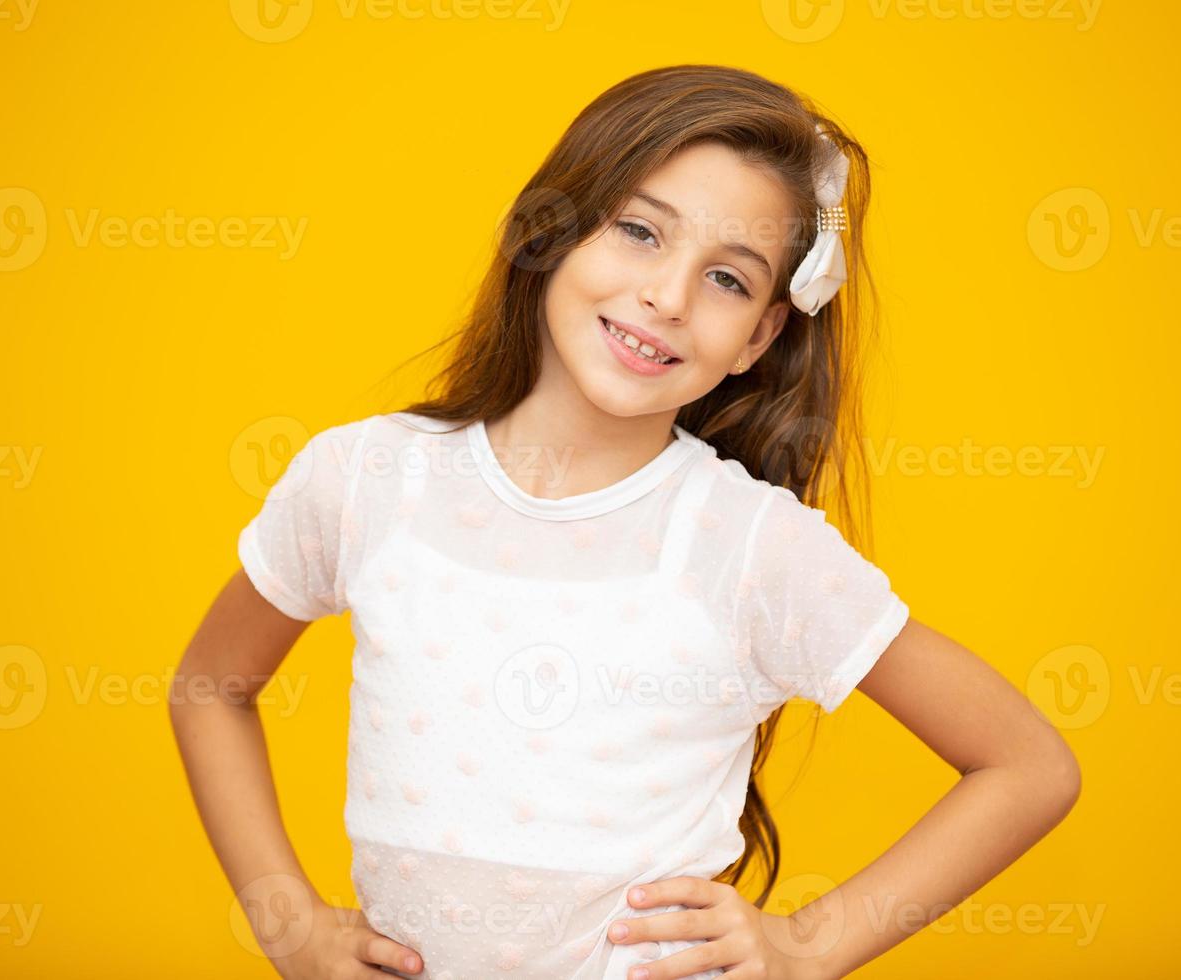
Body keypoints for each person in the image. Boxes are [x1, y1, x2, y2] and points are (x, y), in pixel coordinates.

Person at [170, 63, 1082, 980]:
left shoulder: (752, 548)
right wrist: (286, 924)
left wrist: (807, 945)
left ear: (760, 337)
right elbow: (210, 684)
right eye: (641, 232)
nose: (669, 297)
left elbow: (1027, 766)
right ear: (548, 232)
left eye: (727, 279)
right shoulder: (365, 479)